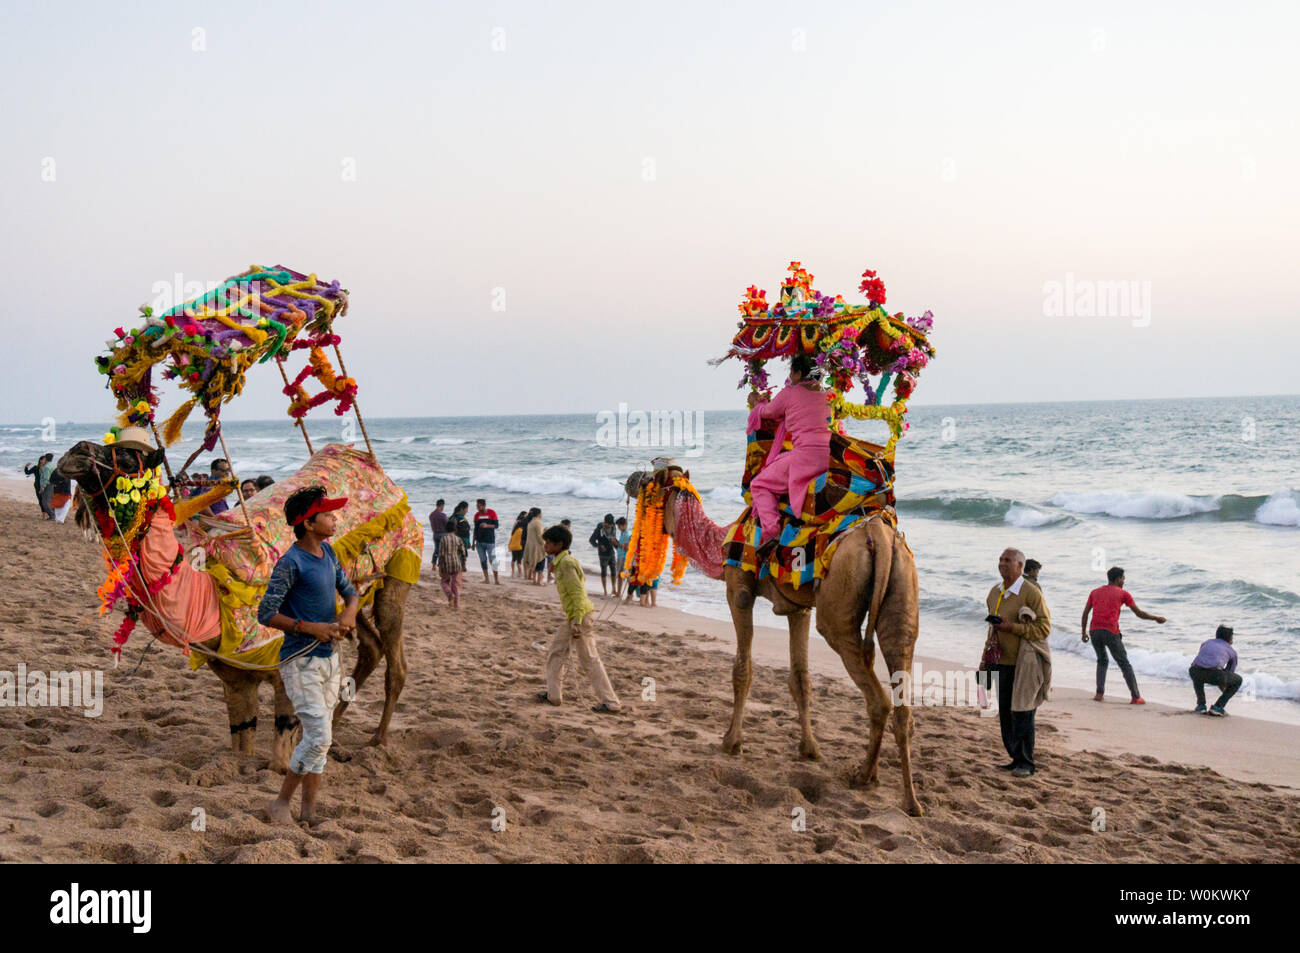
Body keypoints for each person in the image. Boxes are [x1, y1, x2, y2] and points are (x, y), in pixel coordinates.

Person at [257, 486, 358, 826]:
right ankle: (280, 803)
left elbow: (351, 593)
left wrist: (347, 616)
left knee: (320, 741)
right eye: (328, 515)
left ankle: (308, 811)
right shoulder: (290, 563)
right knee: (319, 736)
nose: (335, 519)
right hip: (301, 660)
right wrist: (310, 627)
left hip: (329, 659)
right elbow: (266, 613)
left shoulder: (328, 554)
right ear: (308, 523)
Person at [746, 353, 832, 562]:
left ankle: (771, 532)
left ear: (799, 372)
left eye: (792, 372)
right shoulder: (831, 394)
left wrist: (756, 402)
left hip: (804, 459)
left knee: (758, 484)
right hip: (831, 456)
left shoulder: (790, 393)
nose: (790, 376)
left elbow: (767, 412)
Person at [534, 524, 621, 713]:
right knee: (557, 652)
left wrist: (577, 622)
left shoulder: (566, 564)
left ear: (560, 544)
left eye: (549, 543)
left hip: (579, 616)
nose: (545, 546)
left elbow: (578, 593)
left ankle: (611, 702)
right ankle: (554, 695)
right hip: (575, 615)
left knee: (588, 659)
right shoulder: (562, 561)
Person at [981, 548, 1052, 777]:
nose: (1002, 563)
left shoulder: (1031, 593)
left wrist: (1012, 627)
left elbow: (1044, 628)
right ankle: (1014, 758)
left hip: (1025, 663)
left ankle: (1026, 763)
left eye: (1007, 560)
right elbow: (992, 630)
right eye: (1000, 559)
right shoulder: (994, 592)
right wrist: (984, 659)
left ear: (1020, 566)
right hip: (1001, 660)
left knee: (1023, 712)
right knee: (1005, 713)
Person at [1081, 566, 1166, 704]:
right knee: (1124, 663)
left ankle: (1099, 693)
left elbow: (1085, 613)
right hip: (1110, 631)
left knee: (1102, 660)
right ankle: (1136, 696)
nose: (1124, 581)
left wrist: (1083, 632)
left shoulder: (1095, 592)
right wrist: (1156, 618)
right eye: (1123, 578)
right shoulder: (1123, 593)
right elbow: (1139, 614)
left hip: (1094, 630)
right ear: (1118, 578)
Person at [1189, 626, 1242, 716]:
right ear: (1230, 638)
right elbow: (1229, 675)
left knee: (1198, 671)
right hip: (1215, 674)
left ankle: (1201, 705)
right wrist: (1225, 693)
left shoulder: (1206, 643)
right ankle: (1218, 707)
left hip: (1194, 670)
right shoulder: (1232, 652)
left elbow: (1202, 660)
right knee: (1238, 680)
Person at [435, 525, 467, 609]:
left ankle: (449, 594)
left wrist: (440, 567)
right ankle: (456, 605)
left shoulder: (443, 539)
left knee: (444, 581)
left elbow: (441, 554)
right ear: (455, 530)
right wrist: (464, 565)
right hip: (457, 564)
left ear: (446, 530)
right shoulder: (458, 539)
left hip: (446, 564)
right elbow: (463, 553)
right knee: (456, 584)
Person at [472, 498, 501, 585]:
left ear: (483, 505)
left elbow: (496, 526)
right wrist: (473, 542)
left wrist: (487, 526)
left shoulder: (492, 513)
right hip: (479, 542)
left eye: (479, 506)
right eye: (477, 506)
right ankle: (487, 579)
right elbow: (475, 529)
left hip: (490, 541)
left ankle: (496, 580)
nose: (477, 508)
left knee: (493, 560)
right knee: (483, 560)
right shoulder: (476, 515)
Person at [589, 513, 619, 596]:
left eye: (610, 525)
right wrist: (599, 545)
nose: (608, 526)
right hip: (603, 555)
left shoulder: (614, 527)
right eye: (607, 524)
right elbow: (591, 540)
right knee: (604, 572)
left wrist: (618, 548)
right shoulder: (599, 528)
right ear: (604, 522)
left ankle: (614, 589)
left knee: (614, 572)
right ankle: (605, 591)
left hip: (611, 552)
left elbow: (614, 539)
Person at [24, 453, 54, 518]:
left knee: (47, 500)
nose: (45, 461)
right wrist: (26, 466)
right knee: (41, 500)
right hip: (38, 486)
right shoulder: (36, 468)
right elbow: (27, 472)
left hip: (46, 486)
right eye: (44, 459)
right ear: (40, 460)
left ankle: (50, 514)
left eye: (45, 460)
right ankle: (44, 514)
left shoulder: (47, 467)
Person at [522, 508, 546, 585]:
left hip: (530, 545)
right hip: (538, 546)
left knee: (534, 563)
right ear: (539, 514)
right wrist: (544, 543)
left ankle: (534, 580)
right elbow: (540, 536)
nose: (541, 515)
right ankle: (538, 582)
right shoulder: (538, 522)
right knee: (540, 562)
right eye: (541, 513)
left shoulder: (530, 522)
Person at [613, 516, 630, 597]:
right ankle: (619, 593)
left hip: (624, 557)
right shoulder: (623, 533)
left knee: (622, 576)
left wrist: (616, 543)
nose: (619, 528)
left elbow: (627, 548)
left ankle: (621, 593)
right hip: (620, 556)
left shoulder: (627, 534)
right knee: (621, 576)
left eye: (619, 526)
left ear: (624, 525)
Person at [508, 511, 527, 577]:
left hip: (514, 543)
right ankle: (520, 574)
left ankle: (513, 572)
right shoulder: (524, 524)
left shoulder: (516, 522)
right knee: (519, 560)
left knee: (513, 558)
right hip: (521, 544)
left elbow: (512, 533)